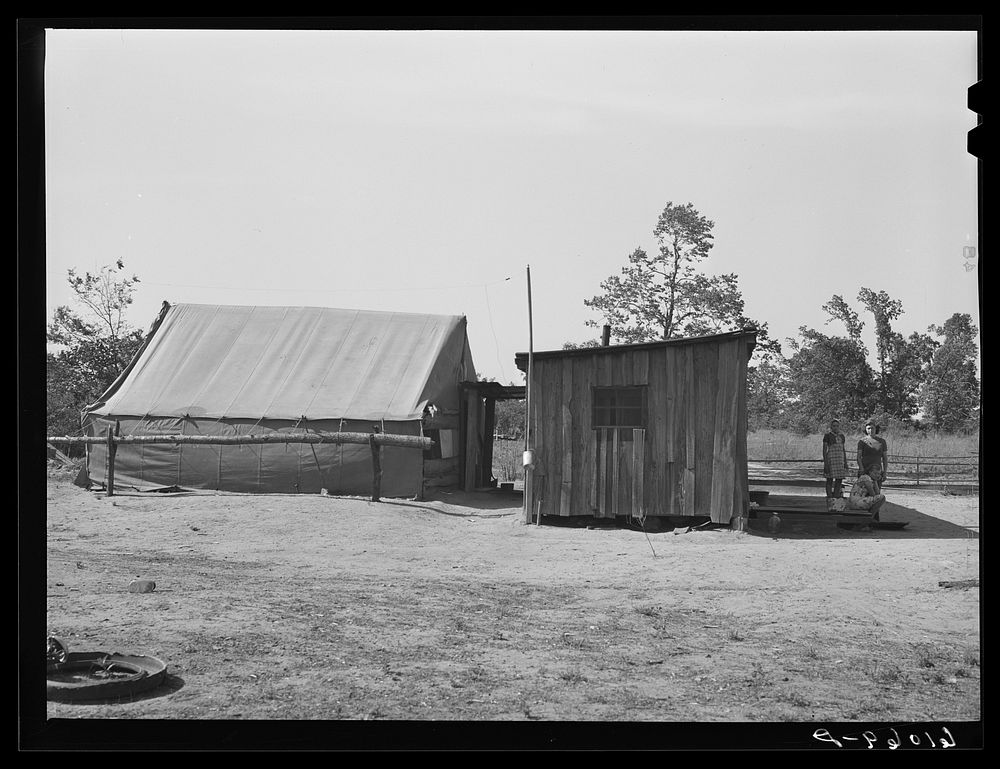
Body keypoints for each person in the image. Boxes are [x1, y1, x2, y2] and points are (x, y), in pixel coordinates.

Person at [857, 421, 887, 492]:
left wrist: (885, 471)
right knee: (864, 492)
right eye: (868, 428)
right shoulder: (862, 441)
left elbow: (885, 458)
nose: (871, 430)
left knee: (876, 493)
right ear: (866, 430)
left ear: (876, 429)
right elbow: (858, 457)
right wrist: (861, 469)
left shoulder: (882, 441)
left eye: (872, 428)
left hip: (877, 471)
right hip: (865, 470)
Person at [822, 418, 849, 500]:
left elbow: (843, 449)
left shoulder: (842, 436)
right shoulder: (827, 436)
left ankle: (836, 496)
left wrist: (845, 462)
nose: (835, 427)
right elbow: (824, 450)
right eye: (834, 426)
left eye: (837, 426)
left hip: (840, 459)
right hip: (831, 459)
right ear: (831, 427)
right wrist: (826, 463)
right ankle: (829, 497)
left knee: (839, 479)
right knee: (829, 478)